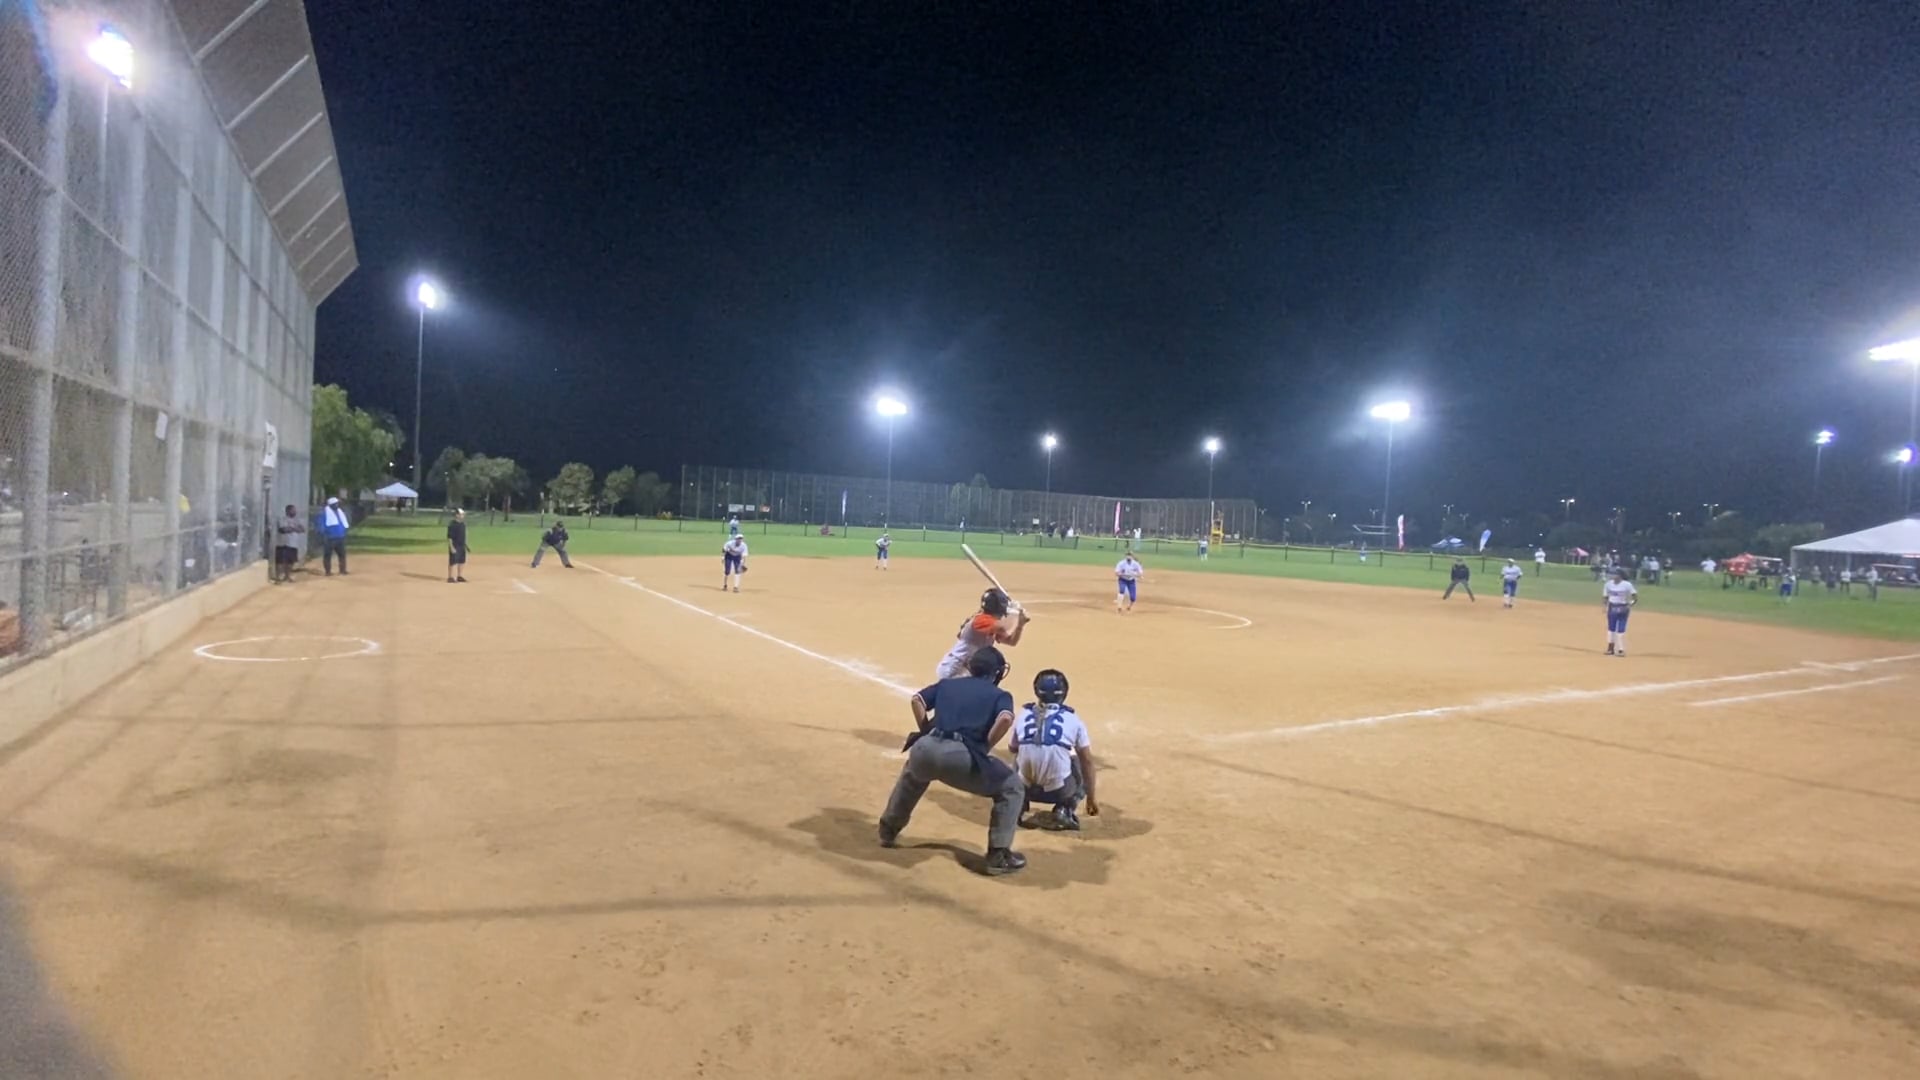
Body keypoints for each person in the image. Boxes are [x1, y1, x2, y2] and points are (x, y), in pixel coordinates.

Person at [877, 646, 1028, 876]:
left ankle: (888, 829)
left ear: (971, 666)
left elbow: (917, 700)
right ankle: (998, 854)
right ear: (997, 672)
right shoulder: (1000, 695)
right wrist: (986, 745)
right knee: (1012, 787)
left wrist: (925, 730)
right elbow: (1005, 719)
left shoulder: (948, 684)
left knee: (914, 773)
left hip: (926, 748)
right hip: (960, 756)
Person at [1010, 668, 1099, 832]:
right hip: (1058, 791)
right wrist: (1091, 798)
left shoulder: (1024, 714)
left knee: (1017, 756)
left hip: (1025, 789)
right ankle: (1064, 809)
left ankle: (1018, 805)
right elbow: (1087, 762)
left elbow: (1013, 748)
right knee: (1079, 760)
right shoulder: (1073, 719)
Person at [935, 588, 1029, 680]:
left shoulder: (991, 623)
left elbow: (1011, 641)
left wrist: (1020, 624)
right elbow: (1003, 627)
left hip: (967, 668)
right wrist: (1014, 613)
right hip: (955, 668)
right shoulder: (981, 620)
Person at [1604, 566, 1638, 656]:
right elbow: (1605, 596)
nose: (1612, 576)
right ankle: (1610, 649)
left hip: (1623, 607)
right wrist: (1605, 606)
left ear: (1620, 575)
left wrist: (1630, 605)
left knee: (1621, 630)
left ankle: (1621, 649)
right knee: (1611, 628)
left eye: (1614, 574)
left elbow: (1635, 597)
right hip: (1612, 607)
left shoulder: (1627, 585)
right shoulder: (1608, 584)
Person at [273, 504, 305, 584]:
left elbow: (302, 529)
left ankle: (287, 577)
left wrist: (291, 528)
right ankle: (277, 578)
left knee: (291, 562)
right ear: (287, 511)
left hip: (293, 544)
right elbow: (283, 530)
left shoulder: (297, 520)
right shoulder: (282, 519)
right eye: (293, 510)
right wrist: (295, 528)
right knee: (280, 562)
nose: (295, 512)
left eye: (295, 510)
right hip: (282, 543)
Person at [319, 496, 351, 576]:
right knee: (327, 555)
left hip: (340, 537)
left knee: (342, 554)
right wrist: (324, 534)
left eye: (337, 504)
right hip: (330, 538)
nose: (337, 505)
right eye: (335, 504)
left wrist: (344, 531)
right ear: (331, 505)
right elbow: (321, 525)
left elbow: (343, 523)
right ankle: (328, 572)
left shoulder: (340, 512)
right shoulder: (325, 513)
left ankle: (342, 570)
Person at [446, 508, 469, 583]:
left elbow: (464, 535)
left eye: (463, 514)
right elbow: (449, 537)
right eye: (461, 514)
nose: (463, 516)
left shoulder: (463, 524)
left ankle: (459, 576)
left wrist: (466, 545)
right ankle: (450, 577)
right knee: (453, 561)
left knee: (462, 561)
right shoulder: (452, 525)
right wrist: (451, 547)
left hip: (462, 545)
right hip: (455, 545)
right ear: (457, 515)